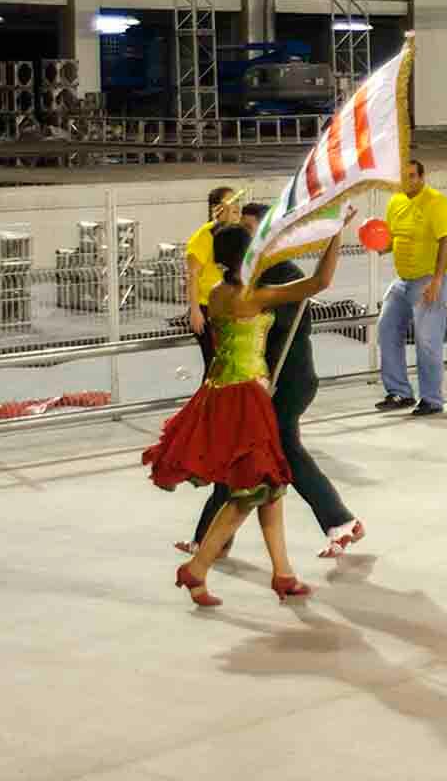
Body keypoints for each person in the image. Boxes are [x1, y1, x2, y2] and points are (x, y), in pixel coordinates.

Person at [150, 213, 353, 606]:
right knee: (249, 492)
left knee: (270, 488)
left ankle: (283, 573)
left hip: (222, 392)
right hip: (245, 399)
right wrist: (335, 235)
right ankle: (196, 570)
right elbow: (319, 283)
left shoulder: (218, 294)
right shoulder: (250, 297)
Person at [375, 160, 447, 417]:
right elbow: (392, 239)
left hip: (429, 278)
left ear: (422, 177)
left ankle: (432, 399)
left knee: (426, 338)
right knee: (386, 327)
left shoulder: (436, 201)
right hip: (404, 279)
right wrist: (377, 242)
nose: (407, 181)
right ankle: (399, 392)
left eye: (412, 176)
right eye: (403, 176)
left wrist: (437, 280)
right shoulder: (395, 201)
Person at [183, 185, 241, 375]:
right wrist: (195, 311)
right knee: (215, 366)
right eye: (231, 201)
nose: (236, 206)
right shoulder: (205, 235)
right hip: (207, 308)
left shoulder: (237, 233)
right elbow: (192, 274)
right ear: (216, 208)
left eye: (237, 201)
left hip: (228, 307)